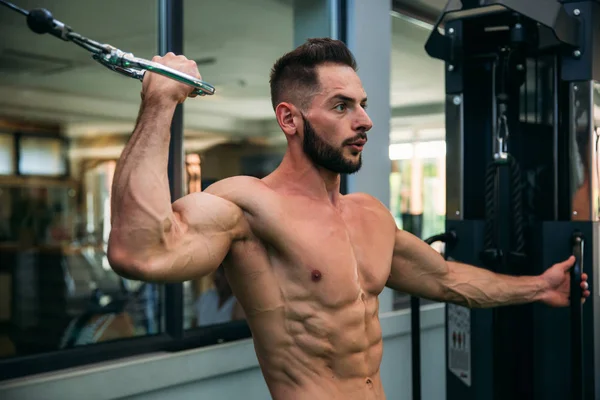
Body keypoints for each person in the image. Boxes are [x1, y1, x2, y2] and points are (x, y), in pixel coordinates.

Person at [107, 38, 590, 400]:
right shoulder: (246, 206)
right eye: (342, 106)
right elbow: (139, 251)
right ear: (289, 119)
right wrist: (159, 103)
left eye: (363, 104)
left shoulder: (370, 215)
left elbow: (446, 278)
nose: (365, 121)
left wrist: (539, 287)